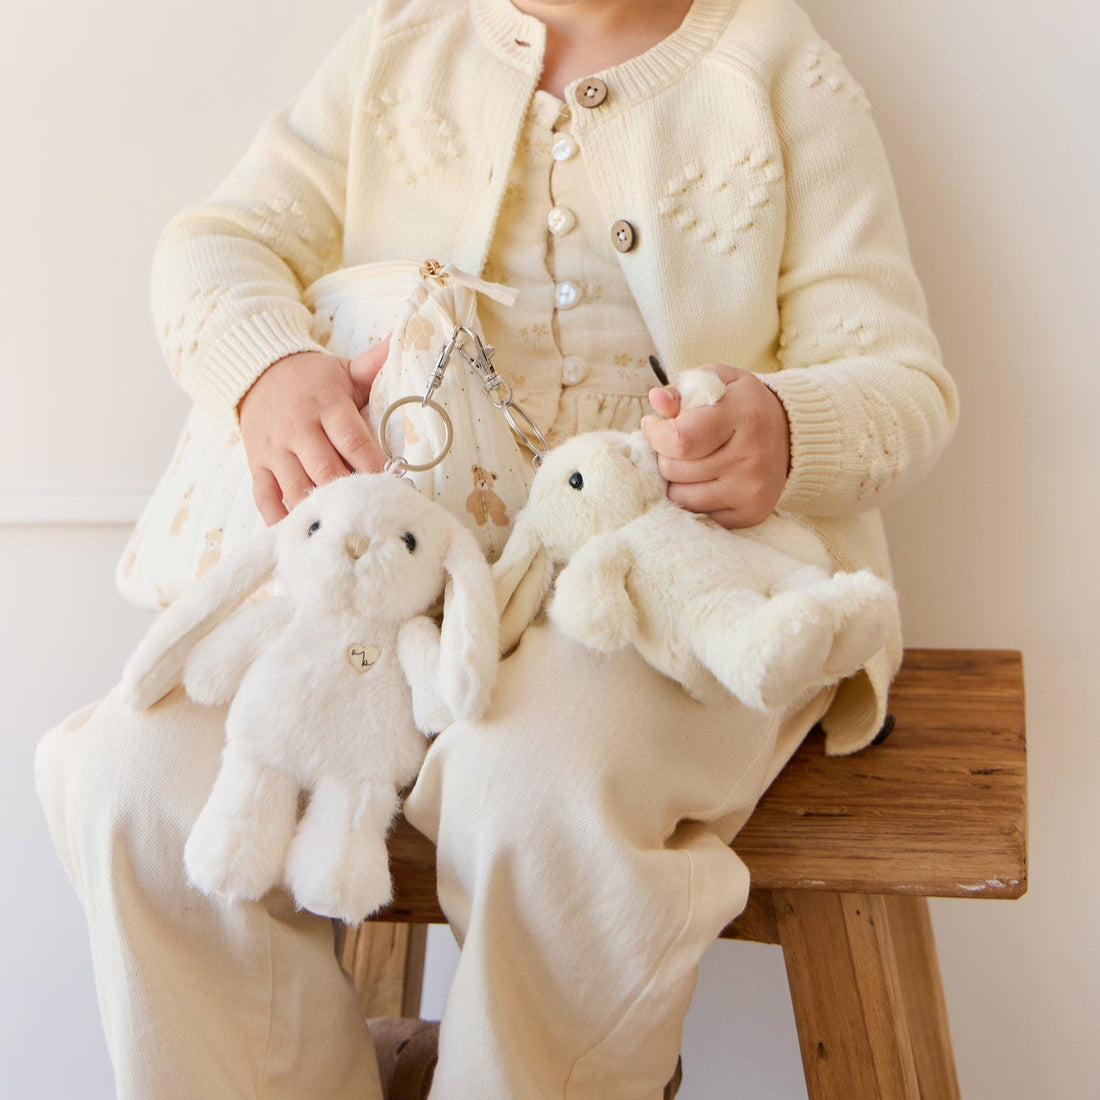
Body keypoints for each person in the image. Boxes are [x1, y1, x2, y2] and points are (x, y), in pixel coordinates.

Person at [35, 0, 958, 1097]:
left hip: (670, 571)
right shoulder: (403, 40)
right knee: (136, 781)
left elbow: (902, 381)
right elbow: (216, 242)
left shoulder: (774, 70)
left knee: (532, 781)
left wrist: (784, 427)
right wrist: (265, 365)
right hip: (397, 568)